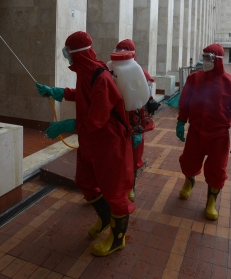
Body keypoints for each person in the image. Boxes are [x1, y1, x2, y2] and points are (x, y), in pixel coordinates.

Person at [35, 31, 134, 256]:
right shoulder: (85, 72)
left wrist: (66, 125)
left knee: (115, 193)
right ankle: (106, 218)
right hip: (91, 143)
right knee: (85, 182)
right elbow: (82, 95)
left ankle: (118, 239)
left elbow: (96, 119)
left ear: (76, 54)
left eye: (67, 53)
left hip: (110, 145)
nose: (66, 57)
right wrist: (57, 92)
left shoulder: (102, 78)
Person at [176, 43, 231, 220]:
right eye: (203, 57)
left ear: (217, 60)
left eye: (208, 58)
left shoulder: (230, 83)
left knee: (217, 169)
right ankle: (189, 181)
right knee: (189, 161)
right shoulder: (194, 78)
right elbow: (185, 100)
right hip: (196, 130)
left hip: (218, 135)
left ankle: (211, 201)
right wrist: (181, 121)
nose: (204, 61)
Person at [114, 39, 155, 203]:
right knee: (117, 157)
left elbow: (146, 101)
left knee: (135, 157)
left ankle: (131, 187)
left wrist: (140, 128)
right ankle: (116, 187)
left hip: (135, 124)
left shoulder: (141, 73)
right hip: (117, 121)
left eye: (123, 50)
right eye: (118, 50)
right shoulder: (111, 71)